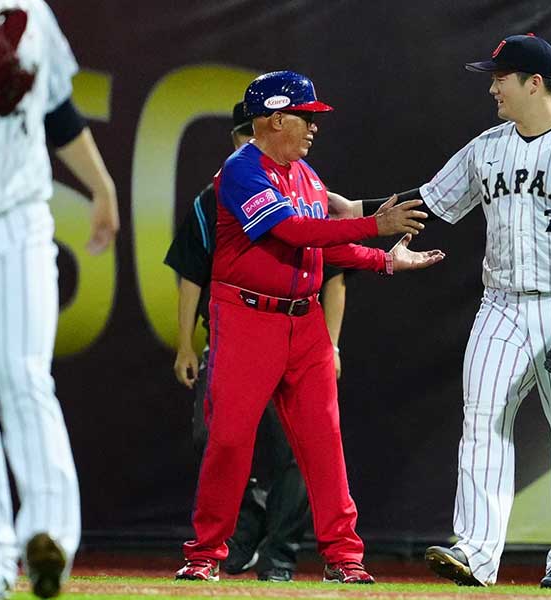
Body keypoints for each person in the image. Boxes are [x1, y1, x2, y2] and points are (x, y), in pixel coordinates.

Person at [173, 70, 444, 584]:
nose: (315, 127)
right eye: (307, 117)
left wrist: (384, 260)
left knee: (324, 441)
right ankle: (205, 553)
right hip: (248, 318)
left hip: (305, 323)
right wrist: (375, 226)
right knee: (230, 441)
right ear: (276, 119)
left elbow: (326, 245)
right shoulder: (240, 170)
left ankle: (345, 559)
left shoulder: (307, 176)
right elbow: (292, 230)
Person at [410, 34, 551, 590]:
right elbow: (431, 200)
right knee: (482, 419)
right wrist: (359, 213)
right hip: (502, 305)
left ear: (533, 82)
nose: (492, 86)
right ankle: (476, 552)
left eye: (500, 77)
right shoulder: (486, 148)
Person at [0, 2, 119, 598]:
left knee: (24, 376)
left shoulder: (30, 11)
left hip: (18, 217)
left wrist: (101, 185)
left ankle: (48, 540)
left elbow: (56, 111)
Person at [165, 102, 313, 583]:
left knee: (295, 450)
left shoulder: (302, 187)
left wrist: (329, 341)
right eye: (241, 138)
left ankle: (280, 557)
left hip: (290, 336)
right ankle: (239, 535)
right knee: (216, 437)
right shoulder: (216, 194)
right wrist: (186, 343)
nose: (248, 146)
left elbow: (333, 272)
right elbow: (191, 271)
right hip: (233, 339)